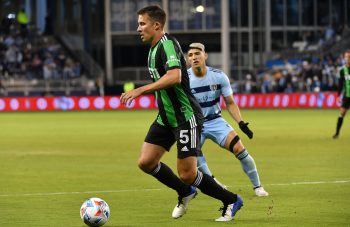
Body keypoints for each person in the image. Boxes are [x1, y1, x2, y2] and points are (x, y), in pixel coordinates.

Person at [120, 5, 243, 222]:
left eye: (142, 23)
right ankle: (185, 192)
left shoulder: (168, 45)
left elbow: (175, 76)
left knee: (187, 174)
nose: (138, 28)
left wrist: (140, 90)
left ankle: (231, 200)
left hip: (185, 116)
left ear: (156, 25)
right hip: (166, 117)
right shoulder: (152, 49)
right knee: (146, 162)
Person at [187, 43, 268, 197]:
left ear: (205, 55)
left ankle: (258, 187)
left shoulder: (218, 76)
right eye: (190, 55)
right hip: (194, 124)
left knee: (239, 148)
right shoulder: (184, 79)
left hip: (215, 120)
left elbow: (230, 103)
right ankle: (214, 182)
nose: (194, 57)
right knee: (194, 156)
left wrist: (241, 123)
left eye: (197, 53)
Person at [333, 49, 350, 139]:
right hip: (347, 96)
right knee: (342, 113)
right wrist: (338, 95)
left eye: (349, 57)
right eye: (346, 57)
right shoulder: (342, 70)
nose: (347, 59)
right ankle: (337, 133)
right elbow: (340, 84)